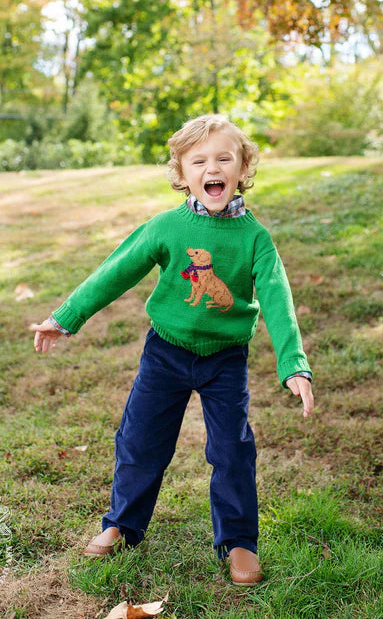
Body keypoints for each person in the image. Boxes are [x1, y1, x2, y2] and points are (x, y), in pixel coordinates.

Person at [30, 114, 314, 586]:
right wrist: (65, 318)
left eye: (224, 158)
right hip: (165, 353)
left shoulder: (255, 239)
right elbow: (115, 270)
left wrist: (293, 365)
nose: (212, 168)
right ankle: (122, 524)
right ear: (182, 174)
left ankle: (239, 540)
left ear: (242, 169)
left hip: (225, 360)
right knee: (140, 441)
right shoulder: (167, 227)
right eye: (198, 160)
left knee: (232, 450)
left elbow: (279, 302)